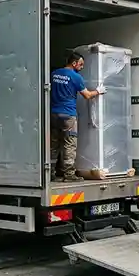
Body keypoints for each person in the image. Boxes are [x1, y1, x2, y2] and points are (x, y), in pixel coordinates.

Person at [50, 51, 106, 182]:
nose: (82, 67)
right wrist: (98, 91)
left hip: (53, 114)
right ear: (74, 63)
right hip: (68, 115)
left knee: (53, 144)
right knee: (69, 144)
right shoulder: (76, 77)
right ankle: (69, 175)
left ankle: (50, 172)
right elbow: (87, 95)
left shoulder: (54, 74)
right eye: (81, 65)